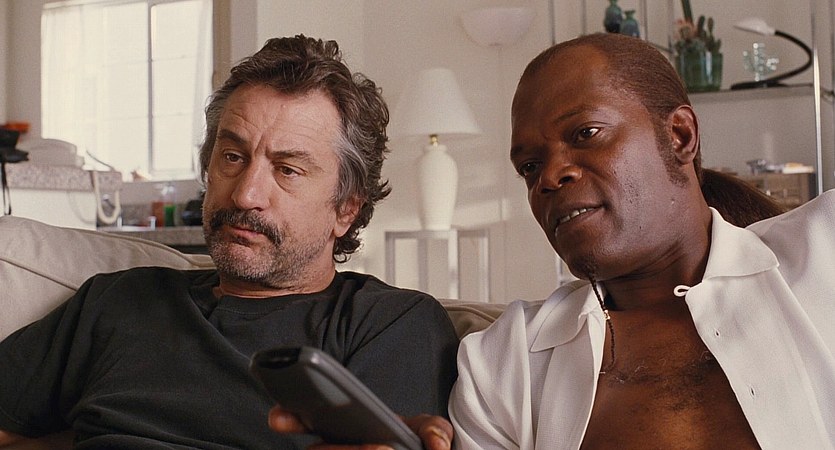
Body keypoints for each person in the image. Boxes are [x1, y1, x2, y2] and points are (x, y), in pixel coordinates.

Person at [271, 32, 835, 449]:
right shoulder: (502, 363)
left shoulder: (822, 253)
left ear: (680, 135)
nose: (550, 176)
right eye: (529, 166)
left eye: (586, 134)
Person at [0, 35, 458, 449]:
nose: (244, 194)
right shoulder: (116, 300)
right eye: (233, 157)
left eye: (288, 170)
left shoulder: (388, 324)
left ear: (346, 210)